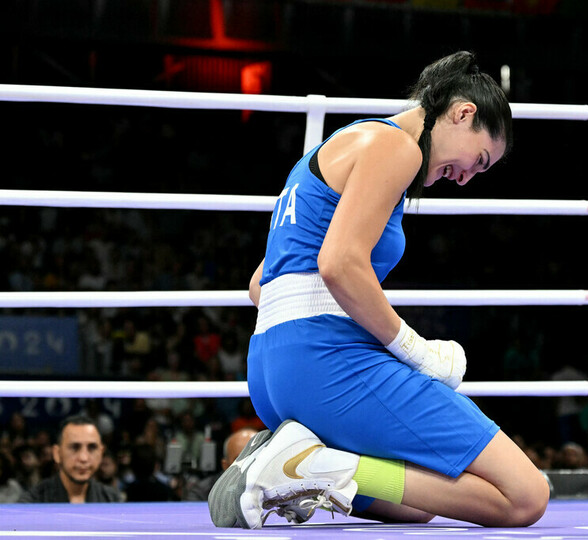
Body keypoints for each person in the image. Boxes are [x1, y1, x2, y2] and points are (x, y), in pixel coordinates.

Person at [207, 51, 549, 529]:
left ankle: (305, 465)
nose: (466, 178)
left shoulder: (340, 147)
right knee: (525, 496)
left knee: (418, 504)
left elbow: (258, 285)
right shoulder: (396, 146)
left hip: (270, 374)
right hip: (320, 361)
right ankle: (306, 465)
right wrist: (416, 351)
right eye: (479, 160)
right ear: (463, 113)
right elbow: (338, 264)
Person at [19, 415, 121, 503]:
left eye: (92, 447)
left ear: (101, 453)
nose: (84, 458)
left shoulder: (113, 500)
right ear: (57, 454)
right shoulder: (32, 502)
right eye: (74, 448)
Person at [184, 428, 258, 501]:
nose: (249, 466)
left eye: (256, 458)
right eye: (241, 460)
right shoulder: (202, 493)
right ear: (225, 466)